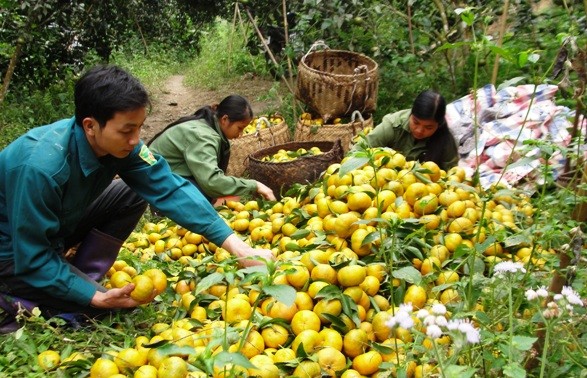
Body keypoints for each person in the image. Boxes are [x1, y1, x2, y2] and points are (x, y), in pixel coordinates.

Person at [0, 65, 274, 332]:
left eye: (139, 128)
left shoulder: (124, 147)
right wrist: (94, 297)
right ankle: (14, 292)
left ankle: (79, 272)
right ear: (90, 125)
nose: (135, 140)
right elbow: (32, 256)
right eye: (126, 130)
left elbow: (170, 188)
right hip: (15, 251)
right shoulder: (41, 169)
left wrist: (241, 249)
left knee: (130, 193)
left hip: (57, 229)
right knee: (106, 309)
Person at [148, 95, 276, 203]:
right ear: (225, 119)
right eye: (239, 128)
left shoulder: (210, 124)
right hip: (155, 180)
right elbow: (211, 182)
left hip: (167, 171)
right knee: (201, 200)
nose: (241, 134)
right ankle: (164, 210)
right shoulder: (203, 136)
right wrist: (255, 185)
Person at [355, 90, 459, 171]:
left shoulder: (445, 140)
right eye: (416, 122)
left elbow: (452, 174)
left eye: (428, 127)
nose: (419, 130)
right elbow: (358, 151)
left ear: (439, 125)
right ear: (411, 114)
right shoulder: (393, 125)